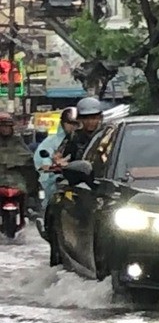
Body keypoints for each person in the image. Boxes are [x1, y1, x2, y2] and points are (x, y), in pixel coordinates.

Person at [43, 98, 107, 264]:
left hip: (104, 185)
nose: (91, 122)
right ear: (80, 120)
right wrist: (60, 163)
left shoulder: (108, 137)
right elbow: (60, 157)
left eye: (95, 117)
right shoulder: (74, 138)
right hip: (80, 184)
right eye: (87, 118)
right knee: (58, 202)